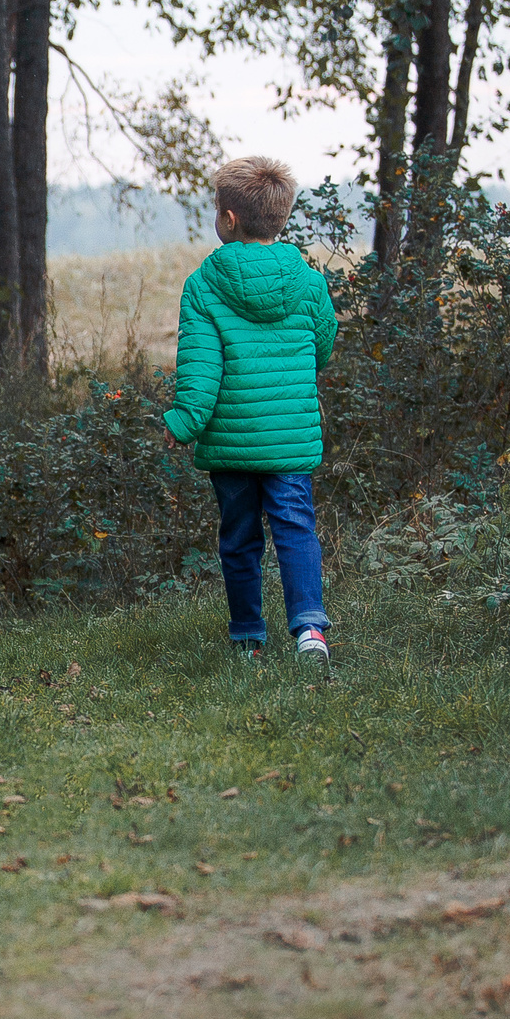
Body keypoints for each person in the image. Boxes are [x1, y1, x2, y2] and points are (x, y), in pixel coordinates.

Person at [161, 156, 340, 666]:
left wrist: (183, 422)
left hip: (231, 445)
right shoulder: (308, 283)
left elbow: (201, 370)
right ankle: (310, 631)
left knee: (240, 540)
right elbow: (321, 350)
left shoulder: (203, 285)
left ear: (230, 219)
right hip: (290, 440)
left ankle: (248, 640)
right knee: (296, 530)